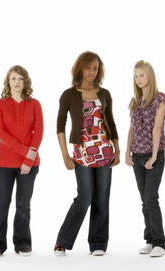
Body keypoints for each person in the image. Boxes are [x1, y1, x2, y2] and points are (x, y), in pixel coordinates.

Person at [54, 51, 120, 256]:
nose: (91, 72)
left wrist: (117, 149)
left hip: (104, 151)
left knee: (102, 198)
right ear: (79, 68)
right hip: (81, 153)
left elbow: (111, 121)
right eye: (88, 67)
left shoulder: (105, 93)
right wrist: (65, 155)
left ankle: (98, 243)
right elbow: (60, 125)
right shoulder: (69, 94)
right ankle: (62, 241)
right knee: (84, 197)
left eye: (95, 68)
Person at [0, 65, 43, 257]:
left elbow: (38, 132)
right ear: (7, 82)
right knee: (1, 203)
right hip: (4, 162)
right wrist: (26, 152)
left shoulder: (35, 104)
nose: (17, 83)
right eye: (13, 79)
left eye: (20, 79)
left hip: (30, 163)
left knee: (23, 205)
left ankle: (23, 243)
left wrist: (28, 158)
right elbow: (0, 133)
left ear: (26, 82)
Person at [125, 60, 165, 257]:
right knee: (144, 200)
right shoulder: (135, 101)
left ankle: (160, 242)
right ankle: (150, 240)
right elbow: (132, 128)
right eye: (136, 76)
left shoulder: (160, 99)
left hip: (154, 155)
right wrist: (127, 152)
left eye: (142, 75)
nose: (139, 79)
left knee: (151, 198)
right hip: (137, 155)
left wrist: (153, 156)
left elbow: (157, 128)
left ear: (150, 75)